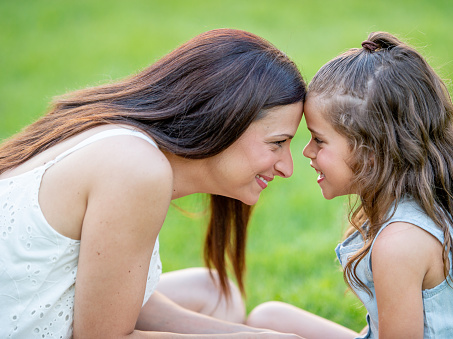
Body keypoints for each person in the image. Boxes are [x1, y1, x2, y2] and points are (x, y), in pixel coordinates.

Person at [0, 28, 306, 338]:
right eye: (277, 142)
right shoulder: (135, 168)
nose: (286, 167)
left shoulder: (118, 135)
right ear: (228, 118)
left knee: (216, 294)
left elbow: (115, 297)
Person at [246, 32, 453, 338]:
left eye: (319, 140)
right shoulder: (421, 206)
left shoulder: (399, 243)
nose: (307, 152)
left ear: (370, 153)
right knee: (269, 319)